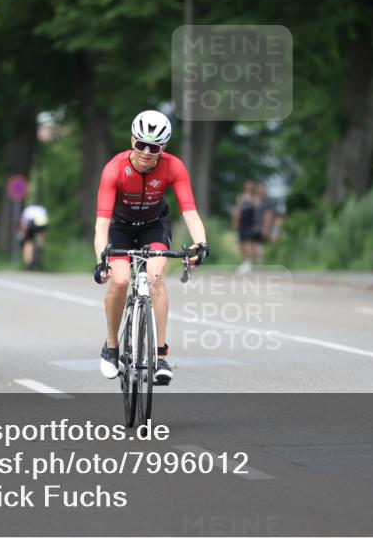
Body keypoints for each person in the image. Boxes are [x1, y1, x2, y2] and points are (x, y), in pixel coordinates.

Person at [93, 109, 209, 385]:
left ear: (163, 147)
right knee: (120, 281)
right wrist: (101, 260)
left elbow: (189, 211)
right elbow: (101, 224)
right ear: (132, 140)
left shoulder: (174, 167)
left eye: (153, 147)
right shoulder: (114, 169)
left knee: (155, 278)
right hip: (119, 229)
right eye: (140, 144)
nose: (146, 152)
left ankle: (159, 353)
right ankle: (111, 347)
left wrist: (201, 243)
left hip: (154, 226)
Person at [231, 180, 258, 273]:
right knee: (241, 243)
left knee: (248, 243)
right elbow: (237, 210)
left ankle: (248, 262)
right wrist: (235, 222)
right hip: (242, 223)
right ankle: (245, 261)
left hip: (250, 223)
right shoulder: (241, 197)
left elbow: (257, 212)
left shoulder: (254, 198)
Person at [18, 201, 49, 270]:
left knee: (28, 242)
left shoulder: (28, 209)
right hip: (41, 224)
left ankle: (28, 262)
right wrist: (44, 236)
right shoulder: (42, 209)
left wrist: (22, 233)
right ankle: (39, 247)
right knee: (40, 238)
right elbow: (45, 224)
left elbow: (23, 223)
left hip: (31, 224)